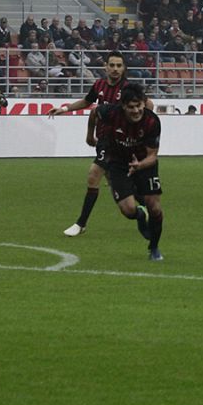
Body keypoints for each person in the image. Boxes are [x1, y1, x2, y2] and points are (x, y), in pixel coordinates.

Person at [47, 50, 153, 236]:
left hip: (118, 143)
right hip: (104, 141)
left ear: (124, 68)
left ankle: (81, 224)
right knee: (118, 187)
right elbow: (87, 102)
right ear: (105, 67)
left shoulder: (128, 88)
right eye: (112, 65)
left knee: (94, 175)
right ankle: (144, 207)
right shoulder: (99, 85)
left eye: (119, 65)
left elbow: (148, 105)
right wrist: (65, 108)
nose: (115, 69)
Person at [95, 82, 165, 261]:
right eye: (131, 107)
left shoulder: (152, 121)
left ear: (144, 103)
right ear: (123, 106)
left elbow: (153, 156)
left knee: (155, 207)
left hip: (144, 163)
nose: (136, 111)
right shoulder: (110, 113)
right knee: (128, 210)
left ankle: (154, 248)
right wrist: (90, 136)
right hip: (118, 163)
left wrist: (139, 165)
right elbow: (95, 111)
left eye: (139, 106)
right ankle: (139, 215)